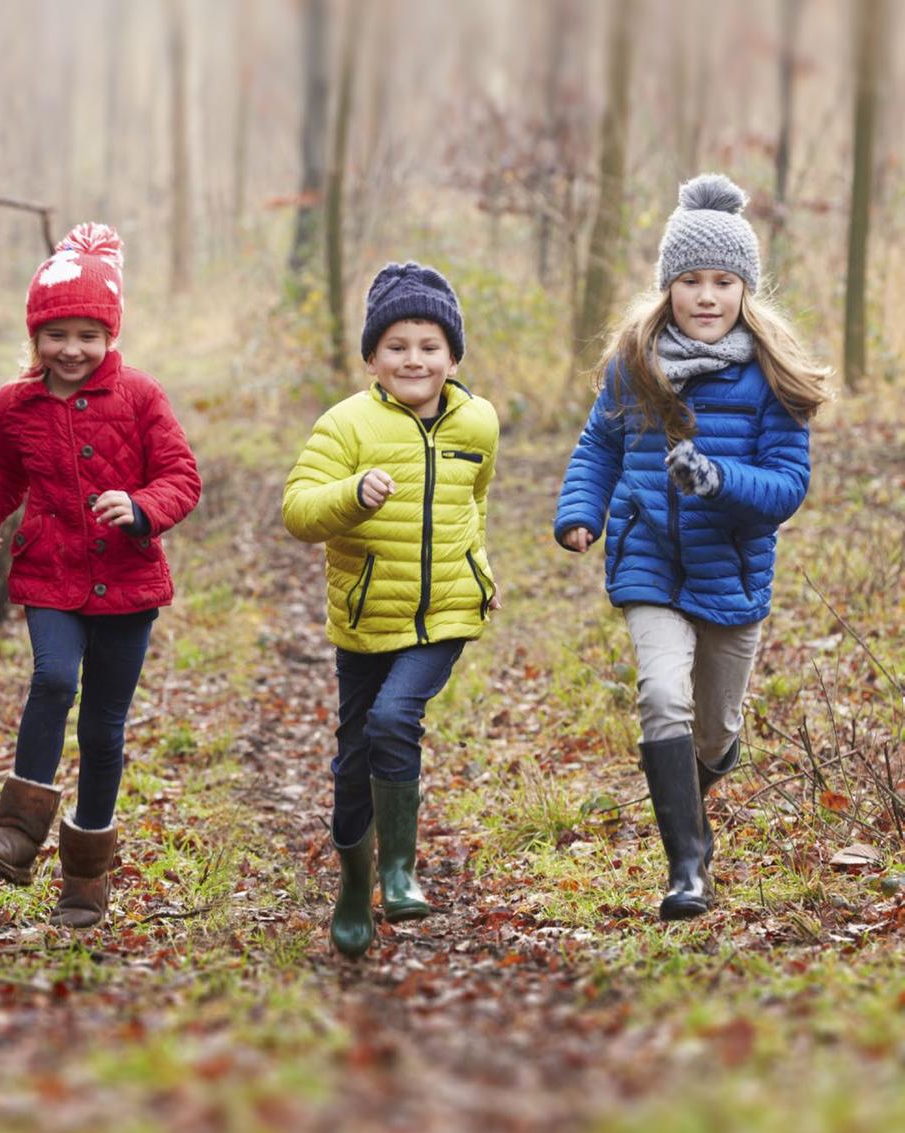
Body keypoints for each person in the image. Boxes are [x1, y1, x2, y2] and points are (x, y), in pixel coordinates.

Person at [555, 174, 830, 920]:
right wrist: (583, 510)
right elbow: (597, 448)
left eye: (722, 280)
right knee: (660, 695)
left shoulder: (772, 377)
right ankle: (687, 867)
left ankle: (704, 772)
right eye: (689, 280)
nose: (705, 296)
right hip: (650, 561)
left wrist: (716, 478)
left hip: (733, 574)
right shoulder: (634, 362)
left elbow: (786, 487)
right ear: (667, 285)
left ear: (745, 288)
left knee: (715, 730)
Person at [0, 223, 201, 927]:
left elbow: (183, 477)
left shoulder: (142, 396)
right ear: (35, 337)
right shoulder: (16, 404)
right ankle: (17, 828)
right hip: (51, 573)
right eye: (56, 334)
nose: (72, 349)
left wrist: (143, 506)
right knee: (54, 679)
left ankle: (85, 880)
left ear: (109, 335)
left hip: (127, 583)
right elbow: (2, 470)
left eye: (87, 334)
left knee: (102, 729)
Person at [284, 262, 500, 958]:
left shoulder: (479, 421)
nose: (415, 359)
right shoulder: (345, 425)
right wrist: (350, 494)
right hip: (366, 615)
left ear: (453, 356)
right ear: (373, 356)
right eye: (398, 346)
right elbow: (298, 510)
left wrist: (481, 566)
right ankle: (354, 889)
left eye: (430, 346)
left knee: (393, 718)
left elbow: (475, 500)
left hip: (446, 613)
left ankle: (400, 872)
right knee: (354, 759)